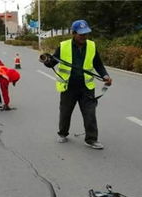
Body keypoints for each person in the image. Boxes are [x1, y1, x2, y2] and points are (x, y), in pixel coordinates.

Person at [39, 19, 112, 149]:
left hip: (86, 87)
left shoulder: (91, 46)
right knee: (65, 112)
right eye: (81, 34)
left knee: (90, 113)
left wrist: (105, 76)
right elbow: (52, 63)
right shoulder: (64, 46)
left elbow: (98, 64)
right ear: (73, 33)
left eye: (86, 34)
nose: (84, 37)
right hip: (69, 87)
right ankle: (62, 133)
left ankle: (91, 139)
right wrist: (46, 60)